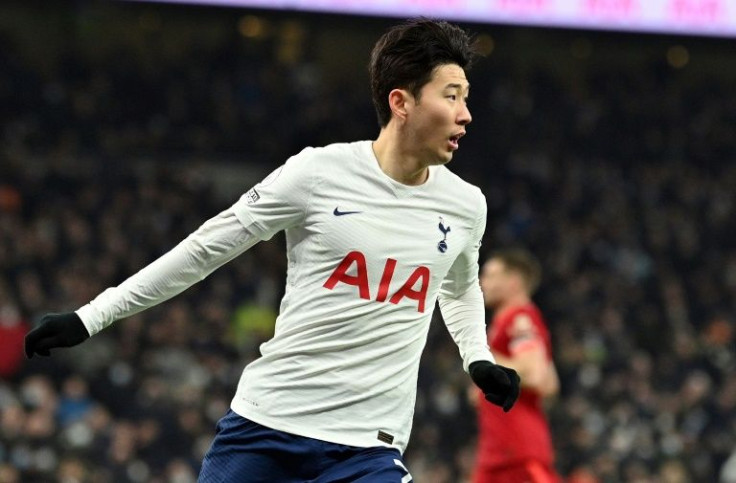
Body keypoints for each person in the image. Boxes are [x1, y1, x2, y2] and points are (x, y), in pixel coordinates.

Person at [24, 18, 521, 482]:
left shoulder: (464, 204)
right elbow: (205, 250)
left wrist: (476, 358)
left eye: (466, 97)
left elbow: (457, 289)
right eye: (451, 96)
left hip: (370, 448)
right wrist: (92, 316)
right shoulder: (317, 174)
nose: (465, 114)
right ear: (401, 102)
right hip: (268, 427)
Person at [473, 248, 560, 483]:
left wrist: (477, 355)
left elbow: (533, 375)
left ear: (513, 281)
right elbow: (550, 384)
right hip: (498, 453)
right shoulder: (510, 324)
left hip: (517, 455)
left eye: (490, 275)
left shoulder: (521, 319)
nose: (482, 282)